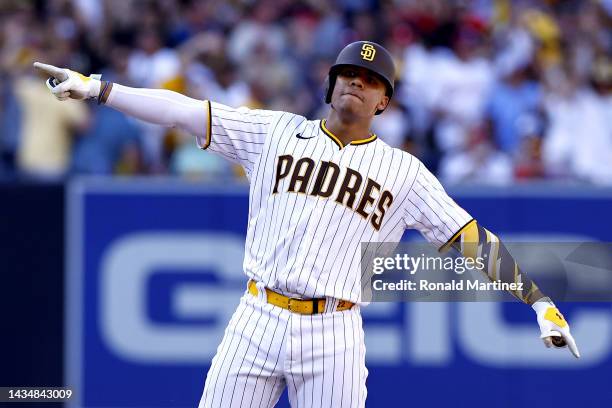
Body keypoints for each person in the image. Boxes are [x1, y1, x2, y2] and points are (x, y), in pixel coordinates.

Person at [34, 40, 579, 408]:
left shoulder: (404, 172)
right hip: (258, 313)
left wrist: (537, 300)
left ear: (385, 100)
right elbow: (182, 111)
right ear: (330, 82)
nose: (357, 84)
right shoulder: (274, 131)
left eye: (370, 80)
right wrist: (101, 89)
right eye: (348, 73)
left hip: (336, 330)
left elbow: (470, 239)